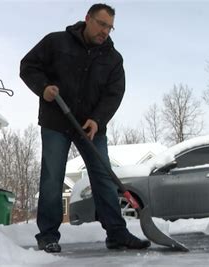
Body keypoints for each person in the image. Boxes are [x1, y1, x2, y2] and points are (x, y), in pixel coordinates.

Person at [20, 3, 150, 253]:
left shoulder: (113, 58)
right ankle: (47, 235)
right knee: (52, 177)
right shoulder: (56, 42)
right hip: (57, 121)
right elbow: (28, 66)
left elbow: (114, 93)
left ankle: (117, 233)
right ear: (87, 19)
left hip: (91, 126)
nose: (105, 31)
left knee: (103, 177)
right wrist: (44, 88)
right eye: (101, 24)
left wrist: (98, 119)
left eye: (110, 27)